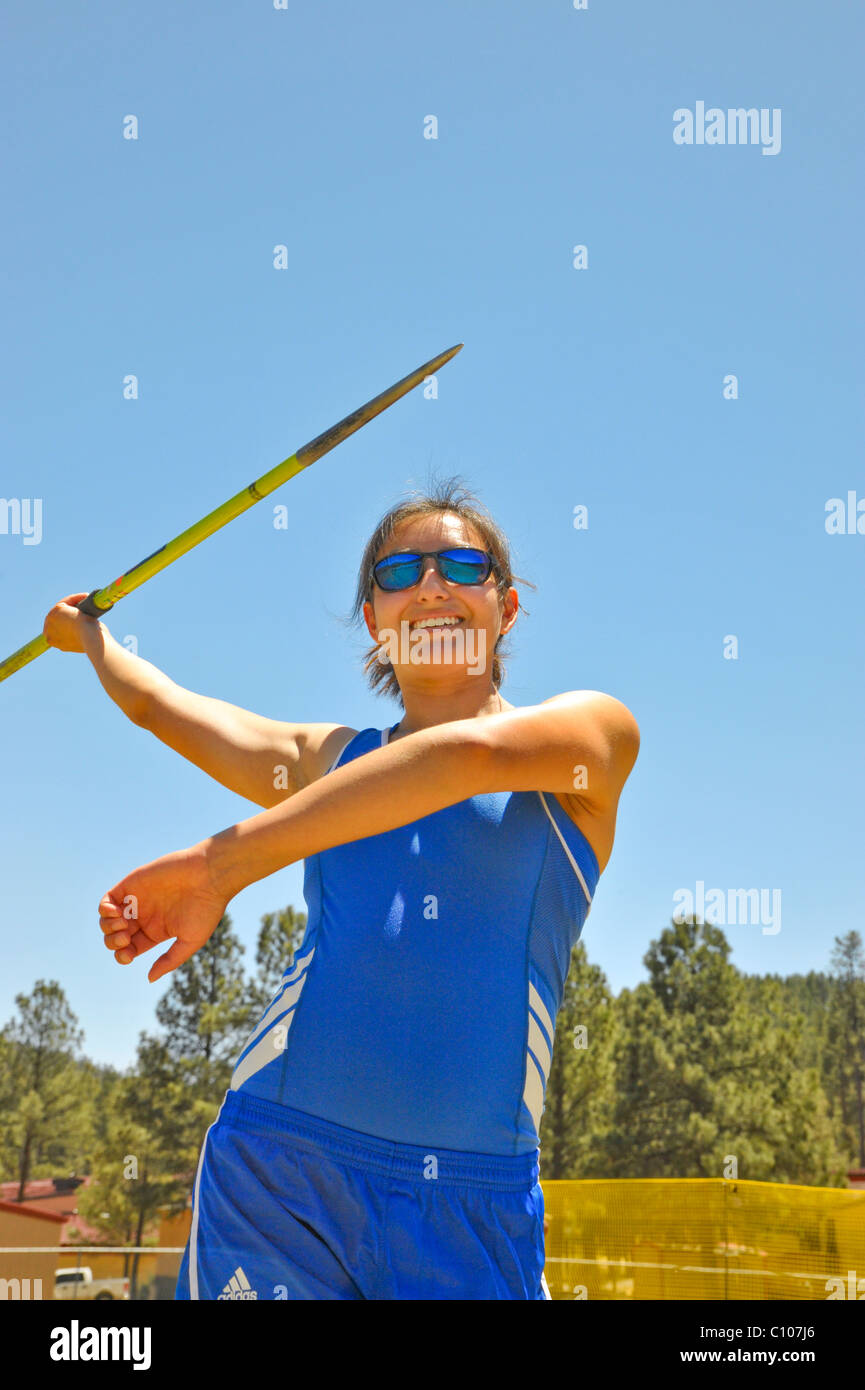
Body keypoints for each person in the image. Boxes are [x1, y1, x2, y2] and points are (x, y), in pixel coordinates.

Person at [43, 477, 639, 1300]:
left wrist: (220, 866)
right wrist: (91, 639)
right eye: (398, 573)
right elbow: (162, 707)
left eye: (461, 566)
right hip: (278, 1176)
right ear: (373, 622)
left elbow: (464, 758)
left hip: (473, 1204)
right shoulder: (331, 761)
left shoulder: (590, 741)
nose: (429, 585)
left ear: (505, 607)